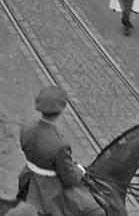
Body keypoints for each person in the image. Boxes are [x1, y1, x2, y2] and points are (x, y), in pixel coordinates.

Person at [19, 86, 103, 216]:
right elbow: (69, 180)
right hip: (48, 190)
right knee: (97, 212)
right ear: (61, 110)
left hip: (27, 178)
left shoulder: (27, 127)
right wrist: (80, 170)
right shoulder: (60, 144)